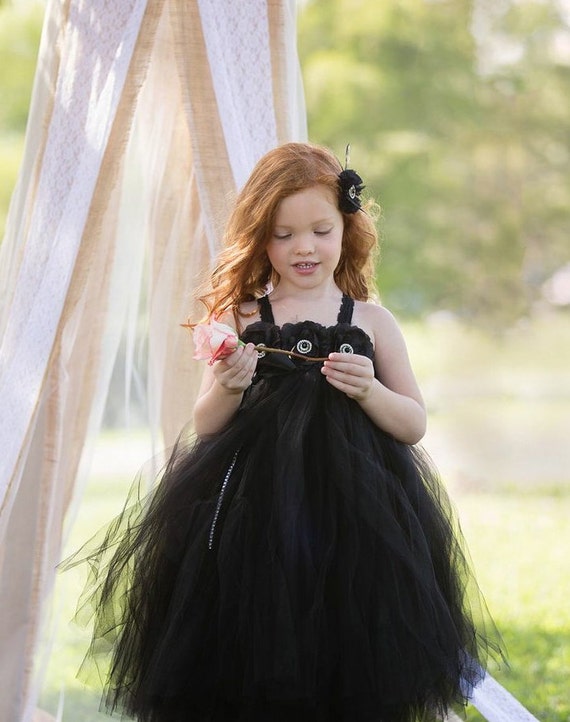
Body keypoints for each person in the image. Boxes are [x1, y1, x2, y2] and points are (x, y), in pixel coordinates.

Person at [72, 142, 501, 722]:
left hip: (359, 519)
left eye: (321, 230)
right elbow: (205, 425)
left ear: (347, 229)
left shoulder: (371, 321)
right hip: (260, 516)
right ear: (261, 239)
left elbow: (414, 424)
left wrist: (370, 390)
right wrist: (228, 384)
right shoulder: (245, 319)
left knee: (346, 635)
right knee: (261, 634)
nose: (304, 247)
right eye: (283, 234)